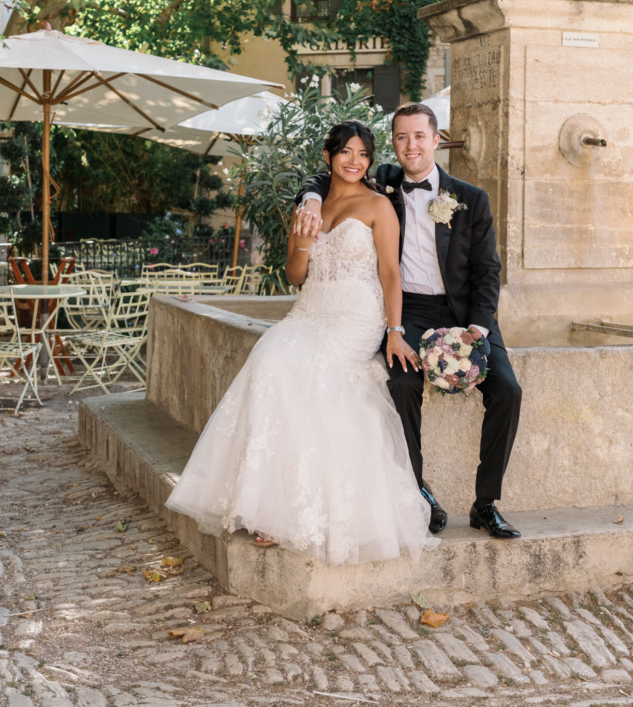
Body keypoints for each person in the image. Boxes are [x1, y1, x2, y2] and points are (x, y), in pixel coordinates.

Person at [165, 121, 437, 565]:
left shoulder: (377, 205)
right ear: (329, 156)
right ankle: (265, 501)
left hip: (355, 317)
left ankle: (285, 515)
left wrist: (394, 330)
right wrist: (305, 242)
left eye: (363, 154)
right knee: (270, 359)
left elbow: (391, 273)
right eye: (346, 152)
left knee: (310, 372)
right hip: (310, 310)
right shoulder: (308, 206)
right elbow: (294, 275)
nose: (355, 161)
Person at [294, 103, 522, 539]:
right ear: (394, 144)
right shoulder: (383, 183)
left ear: (436, 140)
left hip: (463, 313)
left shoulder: (471, 198)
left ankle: (485, 503)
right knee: (399, 384)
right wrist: (310, 197)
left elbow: (487, 271)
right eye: (401, 137)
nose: (410, 145)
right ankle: (418, 494)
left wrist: (478, 326)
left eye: (419, 136)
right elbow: (327, 175)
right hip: (408, 310)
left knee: (508, 390)